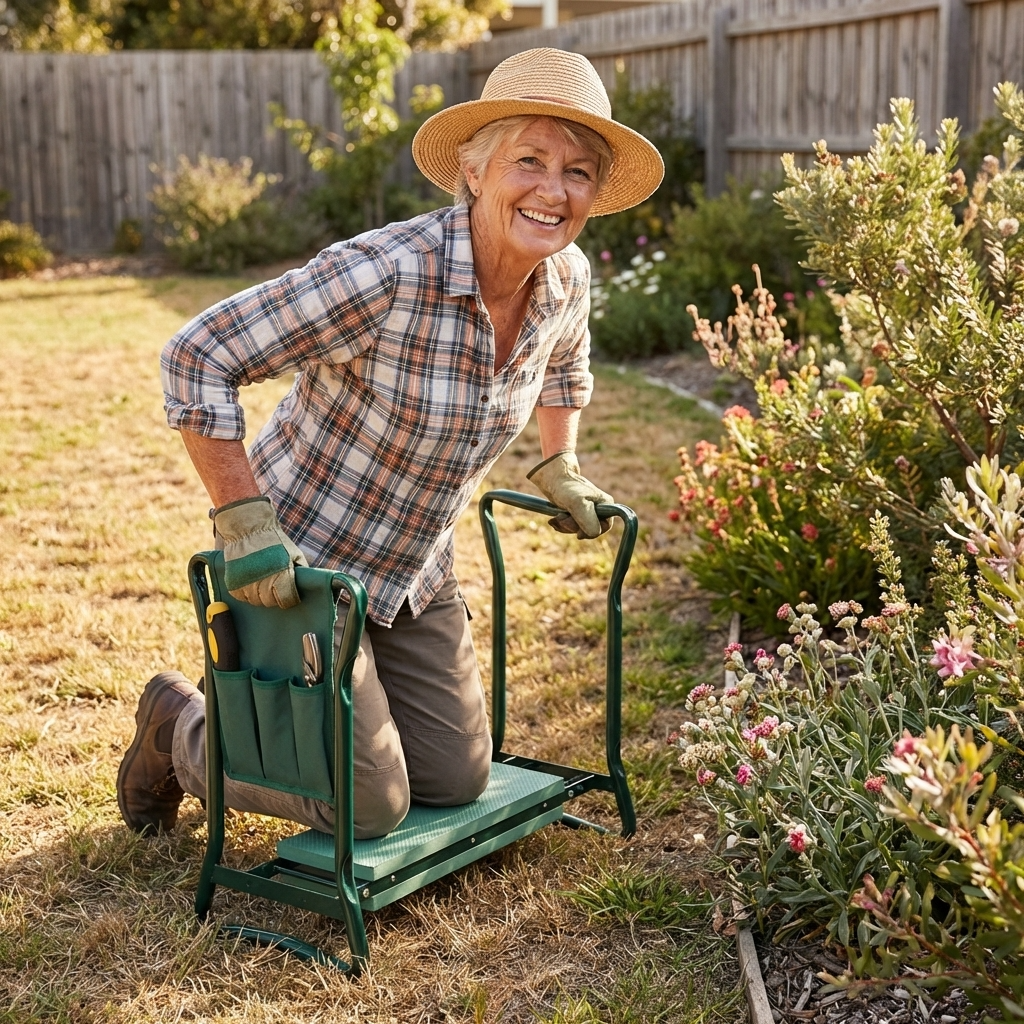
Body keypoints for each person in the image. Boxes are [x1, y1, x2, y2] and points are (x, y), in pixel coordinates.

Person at [116, 47, 664, 838]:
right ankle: (181, 729)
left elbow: (565, 361)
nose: (554, 190)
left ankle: (344, 731)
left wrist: (560, 460)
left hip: (415, 565)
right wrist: (244, 523)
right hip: (297, 561)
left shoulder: (566, 275)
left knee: (455, 780)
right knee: (370, 807)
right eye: (530, 161)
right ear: (474, 171)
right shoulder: (388, 275)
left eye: (578, 171)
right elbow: (198, 355)